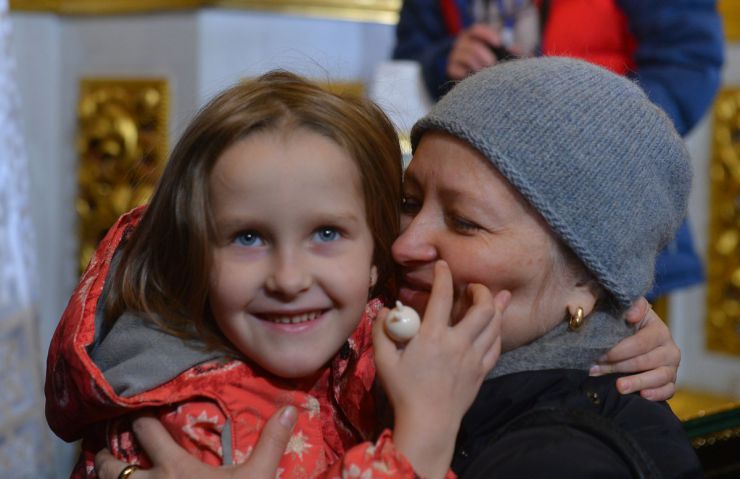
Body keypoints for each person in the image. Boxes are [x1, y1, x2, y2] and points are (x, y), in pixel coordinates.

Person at [45, 70, 509, 479]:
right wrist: (421, 437)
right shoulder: (194, 424)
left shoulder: (372, 343)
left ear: (376, 252)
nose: (288, 280)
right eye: (248, 238)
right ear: (195, 257)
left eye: (326, 233)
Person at [397, 57, 701, 477]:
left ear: (585, 279)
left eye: (463, 222)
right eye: (408, 202)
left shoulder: (560, 462)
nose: (404, 245)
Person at [392, 0, 724, 300]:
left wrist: (593, 133)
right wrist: (445, 60)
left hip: (602, 200)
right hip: (473, 192)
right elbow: (411, 53)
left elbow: (687, 64)